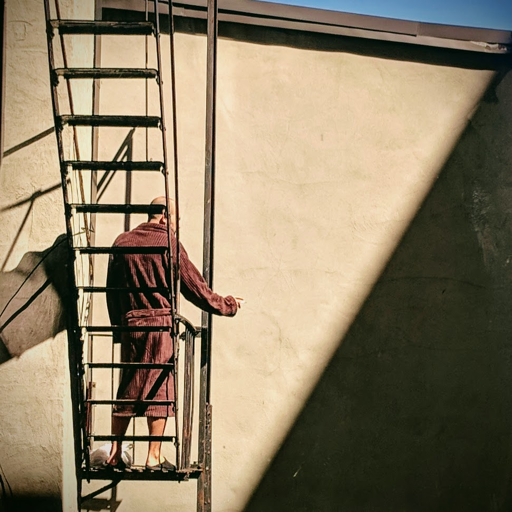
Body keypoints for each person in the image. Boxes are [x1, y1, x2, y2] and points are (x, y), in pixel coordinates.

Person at [105, 196, 242, 470]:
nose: (176, 228)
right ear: (166, 217)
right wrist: (228, 305)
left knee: (127, 389)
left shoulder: (121, 242)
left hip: (132, 323)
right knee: (159, 389)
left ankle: (115, 453)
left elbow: (112, 292)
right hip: (160, 325)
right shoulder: (169, 243)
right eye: (176, 222)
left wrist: (119, 329)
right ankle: (153, 456)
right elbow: (196, 289)